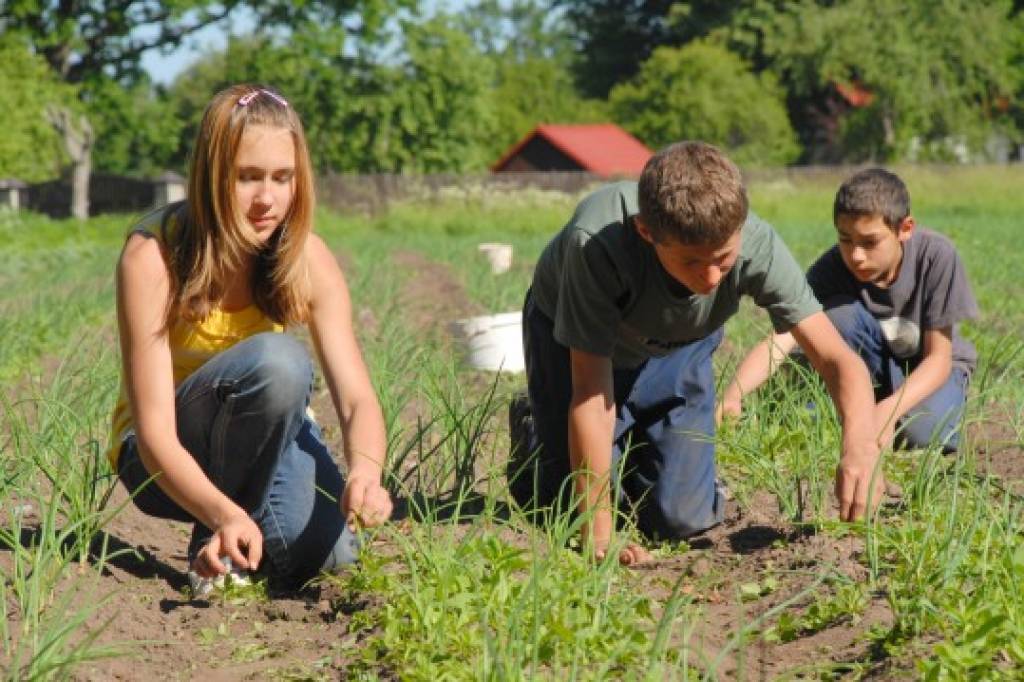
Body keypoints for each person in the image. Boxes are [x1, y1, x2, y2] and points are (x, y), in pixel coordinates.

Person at [508, 141, 882, 566]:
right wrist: (599, 537)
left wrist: (860, 444)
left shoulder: (757, 245)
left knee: (682, 518)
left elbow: (836, 358)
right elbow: (592, 392)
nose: (709, 278)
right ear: (646, 232)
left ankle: (633, 451)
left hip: (676, 347)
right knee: (560, 512)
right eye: (691, 261)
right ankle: (536, 427)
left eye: (723, 260)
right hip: (577, 347)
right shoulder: (595, 243)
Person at [109, 84, 393, 592]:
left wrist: (366, 472)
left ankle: (241, 541)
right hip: (161, 456)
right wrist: (220, 514)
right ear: (213, 176)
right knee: (279, 363)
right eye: (248, 178)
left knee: (328, 557)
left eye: (282, 178)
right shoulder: (154, 256)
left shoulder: (305, 258)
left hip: (270, 438)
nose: (268, 198)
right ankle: (216, 541)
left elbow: (355, 399)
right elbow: (153, 433)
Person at [721, 168, 978, 455]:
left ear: (905, 229)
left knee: (922, 437)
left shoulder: (936, 256)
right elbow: (783, 338)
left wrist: (886, 413)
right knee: (834, 317)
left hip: (928, 369)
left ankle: (887, 410)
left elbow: (938, 360)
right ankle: (854, 406)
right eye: (846, 239)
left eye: (870, 242)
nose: (856, 255)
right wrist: (734, 394)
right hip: (870, 368)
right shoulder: (831, 268)